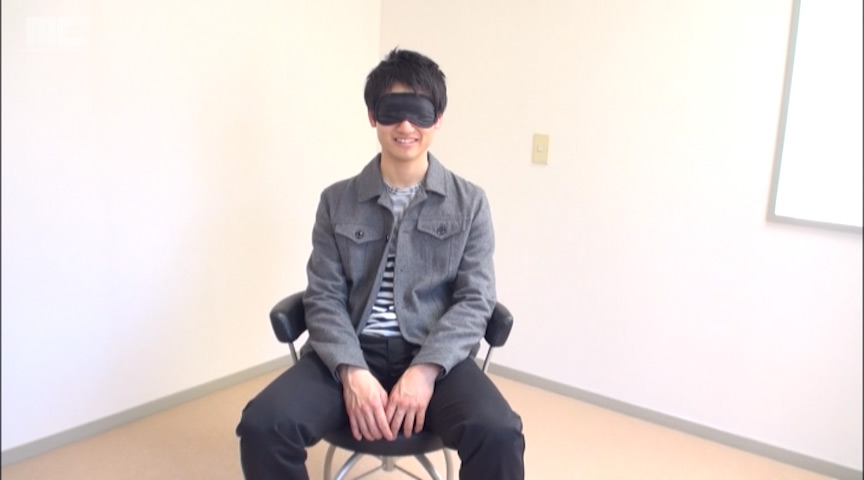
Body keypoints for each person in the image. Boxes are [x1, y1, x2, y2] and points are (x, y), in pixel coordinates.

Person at [236, 47, 525, 480]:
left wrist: (425, 370)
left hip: (434, 353)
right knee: (263, 425)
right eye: (392, 111)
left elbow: (475, 299)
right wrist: (351, 371)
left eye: (420, 112)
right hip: (350, 348)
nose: (406, 126)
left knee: (499, 432)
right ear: (373, 116)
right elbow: (324, 296)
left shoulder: (469, 203)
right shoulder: (337, 201)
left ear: (438, 119)